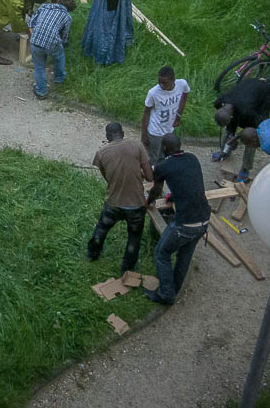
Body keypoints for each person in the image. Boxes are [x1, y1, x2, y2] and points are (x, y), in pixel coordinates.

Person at [144, 133, 211, 305]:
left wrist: (149, 202)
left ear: (164, 148)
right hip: (204, 220)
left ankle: (166, 295)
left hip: (185, 225)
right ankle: (174, 289)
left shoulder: (163, 166)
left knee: (161, 253)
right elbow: (189, 182)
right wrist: (173, 197)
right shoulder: (192, 158)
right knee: (184, 255)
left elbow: (156, 191)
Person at [87, 122, 154, 275]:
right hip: (135, 205)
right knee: (134, 237)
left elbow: (108, 179)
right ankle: (127, 268)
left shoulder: (101, 153)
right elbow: (150, 177)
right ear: (122, 133)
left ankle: (92, 254)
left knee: (101, 229)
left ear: (107, 136)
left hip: (113, 203)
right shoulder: (137, 146)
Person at [213, 78, 270, 182]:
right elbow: (230, 126)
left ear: (231, 116)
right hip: (247, 90)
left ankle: (246, 167)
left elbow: (255, 128)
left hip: (264, 93)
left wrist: (237, 137)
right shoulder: (219, 102)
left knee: (251, 138)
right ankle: (224, 152)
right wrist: (231, 134)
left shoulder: (247, 111)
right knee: (228, 131)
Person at [27, 0, 77, 98]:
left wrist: (35, 36)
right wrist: (62, 43)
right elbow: (65, 35)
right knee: (59, 57)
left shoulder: (44, 6)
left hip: (35, 41)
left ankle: (41, 91)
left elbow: (31, 22)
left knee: (39, 66)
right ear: (69, 8)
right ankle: (59, 79)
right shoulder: (67, 17)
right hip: (52, 43)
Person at [141, 66, 190, 162]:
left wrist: (178, 116)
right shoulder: (153, 93)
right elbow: (146, 113)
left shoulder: (182, 84)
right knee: (153, 157)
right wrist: (144, 135)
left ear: (173, 80)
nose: (161, 85)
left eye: (164, 82)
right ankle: (153, 175)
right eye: (159, 81)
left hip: (169, 129)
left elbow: (185, 95)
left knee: (166, 156)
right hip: (155, 132)